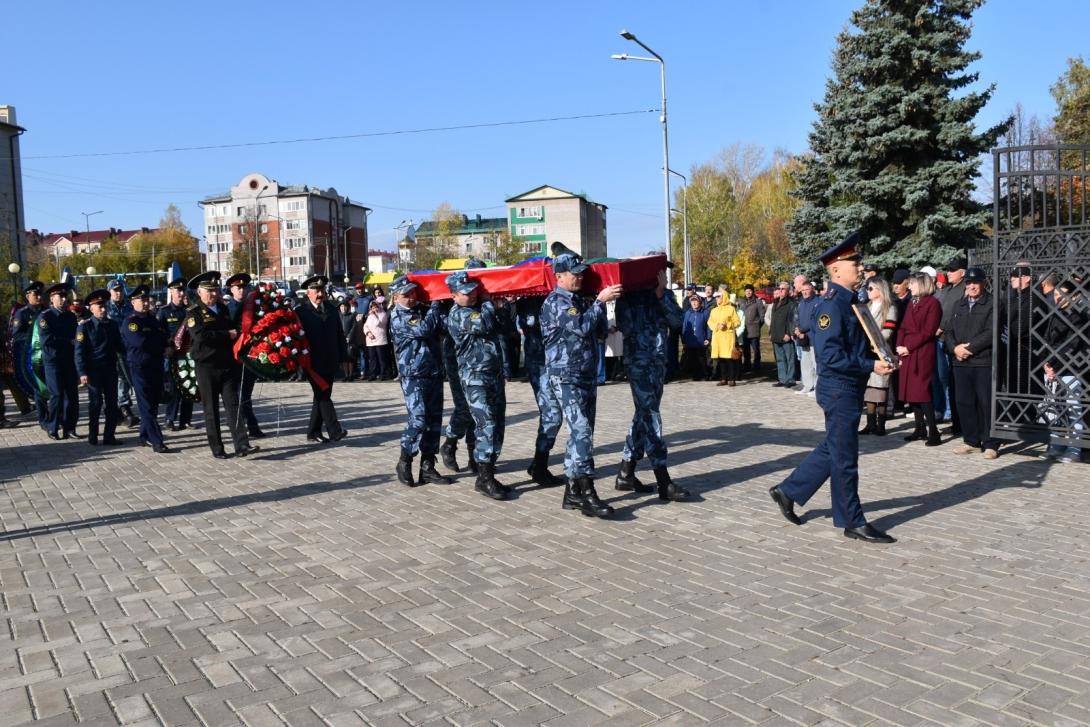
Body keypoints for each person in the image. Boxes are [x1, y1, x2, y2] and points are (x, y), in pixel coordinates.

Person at [768, 233, 897, 544]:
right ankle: (852, 520)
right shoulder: (831, 307)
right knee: (845, 457)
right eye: (854, 261)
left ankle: (789, 491)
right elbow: (831, 357)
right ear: (837, 270)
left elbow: (858, 345)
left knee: (834, 448)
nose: (860, 265)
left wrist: (886, 354)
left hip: (848, 387)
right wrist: (870, 366)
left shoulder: (852, 302)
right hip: (838, 388)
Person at [541, 244, 624, 518]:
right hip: (566, 377)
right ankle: (588, 493)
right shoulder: (556, 302)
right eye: (573, 274)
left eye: (581, 273)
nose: (579, 277)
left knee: (581, 433)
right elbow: (581, 327)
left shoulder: (582, 301)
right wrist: (599, 302)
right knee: (582, 433)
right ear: (559, 276)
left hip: (586, 375)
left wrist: (601, 306)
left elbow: (598, 332)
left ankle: (572, 491)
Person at [613, 270, 689, 502]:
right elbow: (626, 326)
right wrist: (647, 298)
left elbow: (677, 322)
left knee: (643, 416)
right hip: (638, 363)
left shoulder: (665, 295)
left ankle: (626, 471)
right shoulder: (628, 298)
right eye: (655, 273)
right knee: (650, 416)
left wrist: (659, 295)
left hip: (658, 363)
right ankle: (663, 480)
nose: (660, 277)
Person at [446, 270, 508, 499]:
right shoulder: (458, 314)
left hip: (493, 375)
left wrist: (501, 308)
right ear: (453, 295)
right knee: (487, 424)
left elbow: (503, 327)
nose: (471, 295)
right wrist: (489, 302)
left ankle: (489, 470)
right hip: (474, 379)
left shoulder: (478, 308)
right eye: (465, 293)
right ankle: (484, 478)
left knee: (498, 424)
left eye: (473, 290)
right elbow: (482, 323)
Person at [186, 271, 258, 459]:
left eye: (215, 290)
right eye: (209, 291)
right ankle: (217, 448)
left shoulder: (223, 308)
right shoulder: (194, 312)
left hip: (226, 365)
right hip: (206, 366)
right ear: (200, 292)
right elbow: (201, 336)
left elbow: (234, 330)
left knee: (233, 406)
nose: (213, 294)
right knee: (211, 410)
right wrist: (226, 335)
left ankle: (242, 444)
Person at [389, 276, 445, 486]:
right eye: (406, 295)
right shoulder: (398, 317)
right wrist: (436, 304)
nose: (412, 298)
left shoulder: (422, 311)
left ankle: (428, 466)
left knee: (434, 421)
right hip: (413, 376)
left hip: (432, 373)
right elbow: (423, 329)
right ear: (395, 298)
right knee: (419, 419)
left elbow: (440, 326)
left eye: (413, 293)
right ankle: (405, 460)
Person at [944, 267, 1001, 458]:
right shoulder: (959, 305)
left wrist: (969, 348)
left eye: (975, 282)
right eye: (968, 282)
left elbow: (991, 332)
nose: (972, 286)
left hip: (982, 361)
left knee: (985, 403)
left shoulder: (992, 303)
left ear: (984, 283)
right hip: (960, 362)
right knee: (964, 402)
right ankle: (971, 440)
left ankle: (991, 442)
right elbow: (949, 331)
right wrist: (955, 349)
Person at [437, 258, 488, 473]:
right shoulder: (453, 299)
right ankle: (450, 442)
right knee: (465, 408)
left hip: (480, 364)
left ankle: (473, 456)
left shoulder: (479, 301)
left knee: (477, 411)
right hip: (457, 360)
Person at [515, 295, 565, 487]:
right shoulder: (528, 300)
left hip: (558, 362)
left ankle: (539, 464)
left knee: (556, 415)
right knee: (552, 415)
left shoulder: (559, 296)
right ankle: (539, 466)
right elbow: (529, 325)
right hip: (540, 364)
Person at [295, 276, 349, 444]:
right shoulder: (301, 312)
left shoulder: (332, 310)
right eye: (316, 291)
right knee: (323, 395)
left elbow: (339, 334)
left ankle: (313, 432)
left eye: (322, 290)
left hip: (330, 359)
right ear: (308, 293)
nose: (320, 294)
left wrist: (343, 356)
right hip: (312, 362)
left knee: (322, 395)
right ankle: (335, 430)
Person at [120, 285, 171, 453]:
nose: (145, 302)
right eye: (141, 299)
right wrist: (162, 348)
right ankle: (157, 441)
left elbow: (163, 336)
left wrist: (169, 346)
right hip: (139, 367)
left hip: (155, 366)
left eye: (146, 299)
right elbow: (140, 343)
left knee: (154, 403)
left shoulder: (153, 319)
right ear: (133, 302)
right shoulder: (131, 322)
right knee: (146, 405)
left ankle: (143, 435)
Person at [1041, 280, 1087, 463]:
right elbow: (1045, 339)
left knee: (1073, 407)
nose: (1058, 296)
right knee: (1055, 408)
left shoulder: (1078, 316)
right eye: (1057, 292)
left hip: (1070, 368)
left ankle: (1075, 448)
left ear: (1074, 295)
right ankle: (1057, 444)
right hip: (1052, 368)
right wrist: (1046, 362)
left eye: (1063, 293)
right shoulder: (1055, 313)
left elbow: (1072, 344)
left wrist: (1051, 363)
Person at [896, 272, 943, 446]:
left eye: (913, 284)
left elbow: (928, 331)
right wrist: (900, 347)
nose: (909, 287)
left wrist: (909, 347)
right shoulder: (911, 303)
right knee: (911, 391)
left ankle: (933, 431)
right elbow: (902, 327)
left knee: (922, 391)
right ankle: (919, 428)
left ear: (922, 285)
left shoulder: (933, 304)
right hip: (907, 351)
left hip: (921, 352)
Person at [74, 289, 125, 445]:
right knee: (95, 403)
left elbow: (120, 347)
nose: (103, 309)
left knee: (111, 403)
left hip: (110, 369)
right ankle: (93, 435)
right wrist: (82, 372)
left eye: (104, 306)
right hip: (93, 371)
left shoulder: (112, 325)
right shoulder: (85, 327)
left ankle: (109, 436)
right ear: (91, 308)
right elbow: (79, 352)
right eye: (99, 307)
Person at [38, 283, 80, 440]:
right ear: (52, 298)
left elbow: (76, 336)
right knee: (56, 395)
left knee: (72, 395)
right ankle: (53, 426)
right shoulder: (45, 316)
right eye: (60, 297)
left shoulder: (70, 316)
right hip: (53, 361)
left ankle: (70, 427)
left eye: (65, 296)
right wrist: (68, 342)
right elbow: (46, 340)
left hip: (68, 360)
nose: (63, 299)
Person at [226, 273, 264, 438]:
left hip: (250, 357)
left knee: (246, 394)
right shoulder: (228, 309)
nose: (242, 290)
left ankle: (247, 425)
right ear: (231, 289)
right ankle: (248, 426)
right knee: (237, 395)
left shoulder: (254, 307)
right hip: (234, 358)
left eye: (244, 287)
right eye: (238, 287)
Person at [859, 277, 897, 435]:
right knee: (869, 389)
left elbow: (888, 331)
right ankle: (870, 423)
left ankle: (881, 424)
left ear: (880, 290)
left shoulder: (889, 307)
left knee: (881, 388)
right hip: (867, 352)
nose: (867, 291)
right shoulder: (866, 306)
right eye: (868, 288)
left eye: (871, 288)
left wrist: (873, 339)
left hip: (881, 352)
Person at [10, 281, 47, 428]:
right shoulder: (23, 313)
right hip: (33, 356)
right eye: (35, 294)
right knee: (38, 387)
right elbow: (16, 335)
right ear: (28, 296)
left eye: (40, 294)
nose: (38, 297)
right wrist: (35, 336)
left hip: (49, 356)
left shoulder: (46, 311)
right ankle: (44, 418)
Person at [935, 258, 966, 434]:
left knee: (952, 381)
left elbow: (955, 314)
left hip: (952, 340)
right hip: (941, 340)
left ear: (962, 272)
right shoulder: (948, 289)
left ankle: (955, 418)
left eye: (953, 270)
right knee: (943, 379)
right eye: (948, 270)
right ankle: (951, 417)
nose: (949, 273)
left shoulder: (963, 289)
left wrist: (941, 327)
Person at [157, 279, 193, 432]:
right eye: (177, 290)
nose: (180, 293)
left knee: (189, 387)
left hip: (188, 354)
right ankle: (169, 419)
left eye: (182, 290)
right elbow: (160, 333)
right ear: (171, 292)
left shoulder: (189, 310)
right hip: (172, 355)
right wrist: (166, 346)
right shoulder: (164, 311)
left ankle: (186, 420)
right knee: (174, 389)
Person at [106, 279, 139, 428]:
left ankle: (123, 407)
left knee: (126, 378)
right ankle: (122, 408)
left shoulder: (129, 306)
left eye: (120, 290)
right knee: (119, 379)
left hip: (127, 348)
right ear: (110, 292)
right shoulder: (105, 307)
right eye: (115, 290)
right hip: (111, 351)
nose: (118, 293)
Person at [708, 289, 741, 386]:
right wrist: (716, 326)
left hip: (727, 338)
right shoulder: (714, 310)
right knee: (721, 359)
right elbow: (710, 322)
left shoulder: (731, 309)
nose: (717, 298)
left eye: (719, 296)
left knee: (729, 359)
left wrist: (728, 324)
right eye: (716, 297)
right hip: (718, 338)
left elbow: (737, 322)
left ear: (724, 297)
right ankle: (723, 378)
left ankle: (731, 379)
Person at [769, 281, 796, 387]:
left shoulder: (791, 304)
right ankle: (782, 379)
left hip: (786, 336)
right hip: (776, 335)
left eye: (783, 289)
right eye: (779, 289)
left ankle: (790, 379)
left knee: (789, 358)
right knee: (780, 359)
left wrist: (789, 333)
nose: (780, 291)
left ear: (788, 291)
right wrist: (771, 332)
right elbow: (773, 320)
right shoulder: (775, 303)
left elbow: (792, 321)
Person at [795, 281, 819, 394]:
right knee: (805, 363)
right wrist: (798, 329)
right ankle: (807, 385)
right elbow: (798, 318)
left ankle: (817, 387)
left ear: (812, 289)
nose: (804, 292)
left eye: (807, 289)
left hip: (813, 337)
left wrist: (802, 330)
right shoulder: (801, 303)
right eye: (803, 290)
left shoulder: (818, 301)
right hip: (802, 337)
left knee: (815, 363)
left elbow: (814, 320)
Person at [679, 295, 710, 381]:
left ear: (699, 302)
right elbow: (684, 326)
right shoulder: (688, 313)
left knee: (702, 358)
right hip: (690, 341)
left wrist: (708, 338)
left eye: (696, 301)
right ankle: (696, 375)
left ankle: (705, 375)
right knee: (692, 358)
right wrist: (684, 339)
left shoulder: (705, 312)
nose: (694, 303)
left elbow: (709, 327)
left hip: (701, 340)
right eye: (692, 301)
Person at [738, 284, 766, 375]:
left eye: (749, 291)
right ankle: (747, 367)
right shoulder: (741, 302)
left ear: (752, 291)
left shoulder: (758, 302)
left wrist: (757, 325)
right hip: (744, 330)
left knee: (756, 350)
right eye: (746, 291)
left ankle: (757, 367)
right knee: (746, 351)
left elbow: (762, 316)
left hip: (754, 330)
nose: (748, 292)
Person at [363, 300, 390, 380]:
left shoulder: (383, 314)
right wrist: (368, 333)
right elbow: (365, 326)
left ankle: (383, 374)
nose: (374, 309)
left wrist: (374, 315)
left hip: (380, 340)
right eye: (373, 307)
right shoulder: (369, 316)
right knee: (372, 358)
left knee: (381, 358)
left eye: (376, 307)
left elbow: (378, 323)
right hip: (370, 340)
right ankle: (373, 374)